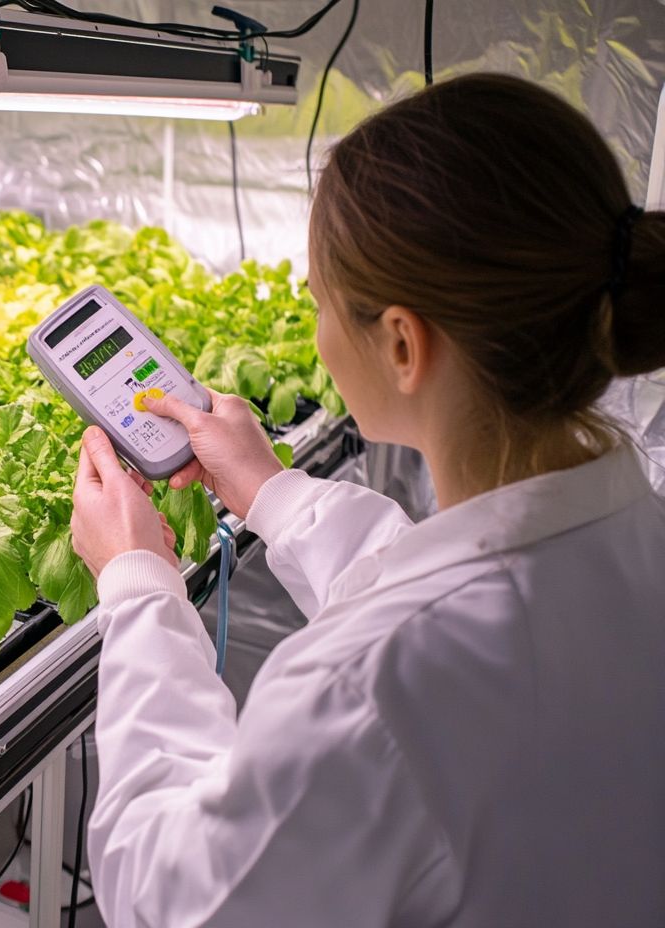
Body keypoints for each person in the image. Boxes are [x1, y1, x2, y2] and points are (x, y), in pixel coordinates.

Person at [70, 73, 665, 928]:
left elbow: (172, 895)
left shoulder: (371, 688)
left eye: (318, 300)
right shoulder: (633, 530)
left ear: (400, 343)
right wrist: (271, 492)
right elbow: (439, 589)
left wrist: (138, 587)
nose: (315, 327)